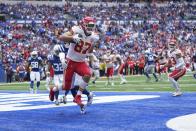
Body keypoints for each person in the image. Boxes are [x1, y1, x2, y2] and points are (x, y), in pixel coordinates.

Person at [58, 16, 100, 107]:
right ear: (83, 25)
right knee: (68, 86)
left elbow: (89, 51)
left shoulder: (93, 36)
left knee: (86, 76)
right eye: (89, 25)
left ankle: (79, 97)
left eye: (92, 26)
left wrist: (93, 43)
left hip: (81, 61)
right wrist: (73, 38)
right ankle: (56, 92)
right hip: (71, 61)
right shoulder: (76, 30)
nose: (91, 28)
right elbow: (61, 37)